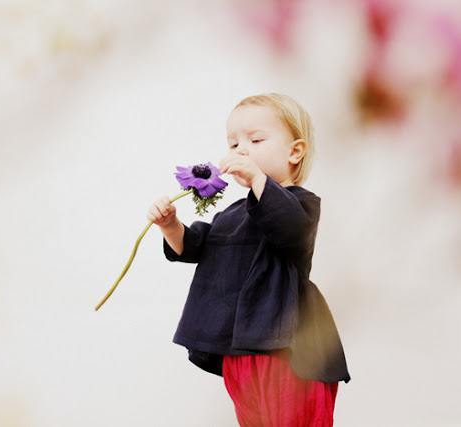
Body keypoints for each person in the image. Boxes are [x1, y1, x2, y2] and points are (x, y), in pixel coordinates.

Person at [147, 93, 350, 426]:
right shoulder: (231, 214)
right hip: (239, 348)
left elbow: (289, 227)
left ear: (295, 152)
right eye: (233, 143)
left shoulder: (302, 204)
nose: (241, 150)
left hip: (287, 346)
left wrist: (258, 179)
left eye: (255, 140)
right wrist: (170, 226)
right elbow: (195, 246)